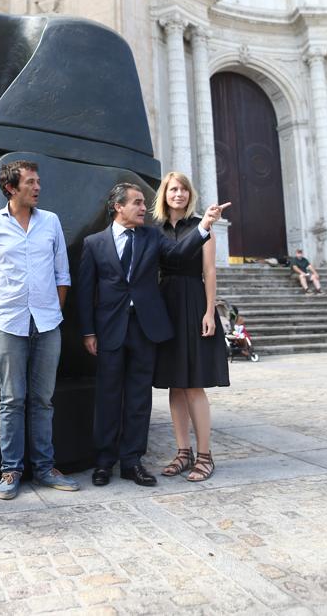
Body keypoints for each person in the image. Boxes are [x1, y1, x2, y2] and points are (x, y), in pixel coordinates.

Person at [77, 181, 228, 488]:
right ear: (118, 207)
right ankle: (104, 462)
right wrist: (89, 331)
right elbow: (85, 290)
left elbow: (177, 254)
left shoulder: (152, 236)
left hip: (145, 329)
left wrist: (204, 227)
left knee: (138, 398)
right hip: (109, 330)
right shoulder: (94, 243)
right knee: (107, 396)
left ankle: (132, 461)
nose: (143, 207)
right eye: (136, 202)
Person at [0, 160, 80, 500]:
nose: (37, 187)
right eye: (30, 182)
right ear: (10, 188)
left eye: (37, 181)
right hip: (7, 323)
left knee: (43, 400)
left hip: (48, 324)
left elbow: (63, 274)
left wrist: (53, 309)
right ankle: (11, 470)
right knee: (12, 399)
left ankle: (45, 468)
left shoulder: (51, 222)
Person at [153, 172, 230, 483]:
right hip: (165, 304)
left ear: (190, 194)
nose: (179, 194)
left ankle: (205, 455)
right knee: (174, 383)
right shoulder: (154, 228)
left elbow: (209, 271)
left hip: (194, 302)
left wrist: (210, 311)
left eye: (184, 189)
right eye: (173, 189)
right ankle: (183, 452)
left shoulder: (203, 226)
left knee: (193, 383)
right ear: (165, 194)